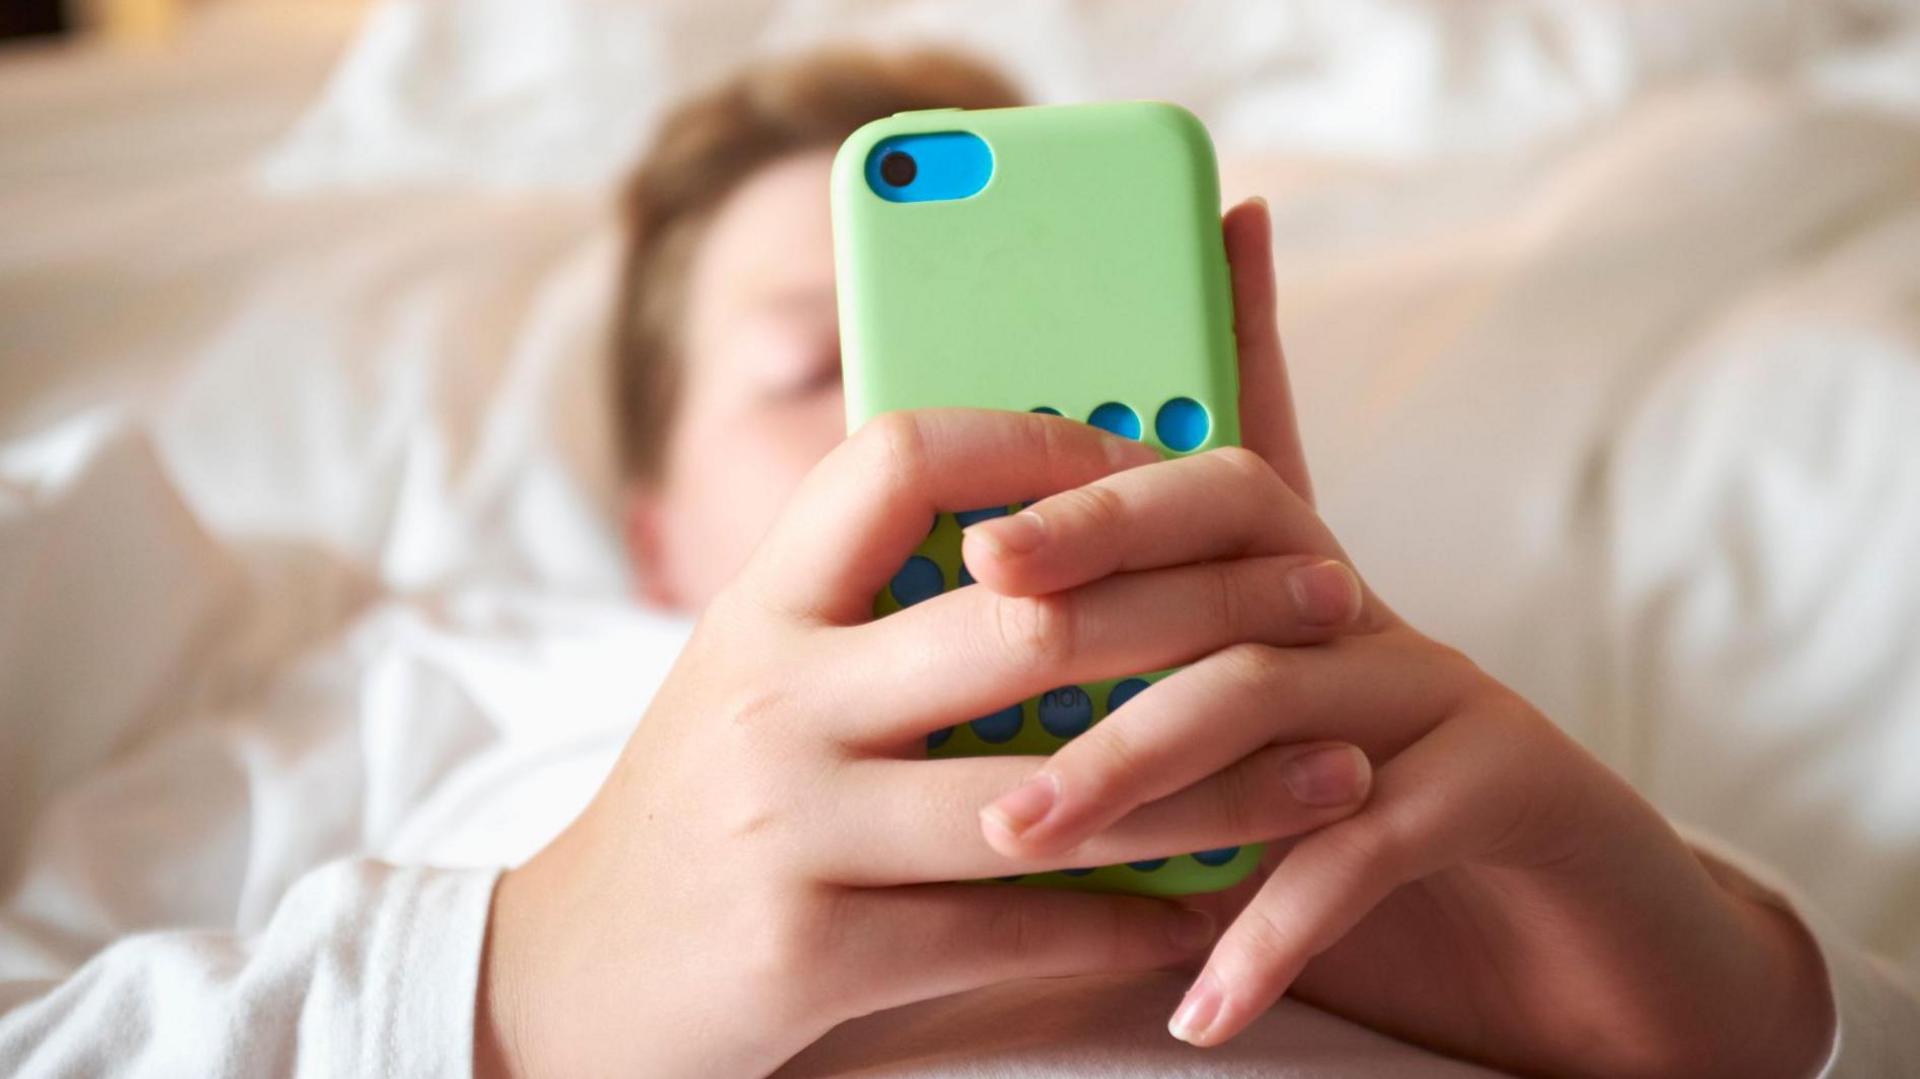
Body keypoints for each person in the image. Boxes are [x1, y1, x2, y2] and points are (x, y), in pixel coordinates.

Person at [2, 46, 1915, 1079]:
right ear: (653, 524)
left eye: (1014, 353)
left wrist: (1754, 1015)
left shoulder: (1382, 734)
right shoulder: (409, 685)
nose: (934, 435)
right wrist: (509, 1001)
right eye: (820, 363)